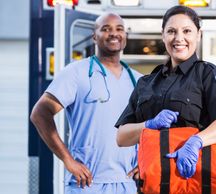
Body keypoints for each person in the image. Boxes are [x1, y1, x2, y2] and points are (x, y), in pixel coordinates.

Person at [115, 5, 216, 181]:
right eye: (172, 31)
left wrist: (196, 142)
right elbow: (122, 137)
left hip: (195, 182)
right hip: (154, 183)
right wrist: (149, 124)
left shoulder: (208, 74)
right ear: (163, 35)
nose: (179, 38)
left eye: (187, 31)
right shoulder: (146, 83)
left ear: (199, 35)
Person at [30, 13, 142, 194]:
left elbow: (151, 127)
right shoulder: (76, 72)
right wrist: (68, 160)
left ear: (125, 36)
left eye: (119, 29)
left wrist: (146, 161)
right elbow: (40, 113)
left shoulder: (138, 81)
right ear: (94, 36)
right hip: (87, 183)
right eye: (106, 29)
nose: (114, 33)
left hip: (126, 182)